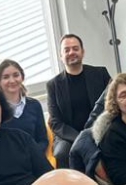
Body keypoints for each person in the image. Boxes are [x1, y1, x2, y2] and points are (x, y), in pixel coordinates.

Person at [46, 33, 112, 164]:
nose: (71, 52)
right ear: (61, 56)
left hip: (100, 129)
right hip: (68, 137)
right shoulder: (53, 85)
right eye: (67, 50)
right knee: (61, 153)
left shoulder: (100, 74)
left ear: (83, 52)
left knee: (114, 143)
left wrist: (93, 133)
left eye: (75, 48)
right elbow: (55, 122)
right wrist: (79, 138)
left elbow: (112, 105)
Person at [0, 59, 48, 148]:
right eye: (6, 77)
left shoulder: (34, 105)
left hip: (33, 155)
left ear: (22, 77)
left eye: (16, 75)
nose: (12, 81)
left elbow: (43, 140)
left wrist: (34, 154)